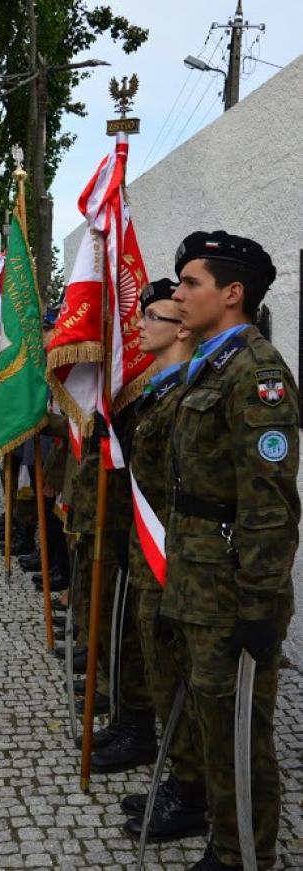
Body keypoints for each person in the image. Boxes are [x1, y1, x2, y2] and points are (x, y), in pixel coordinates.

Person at [162, 231, 300, 870]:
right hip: (198, 578)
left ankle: (245, 854)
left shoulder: (257, 374)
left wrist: (262, 603)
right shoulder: (211, 364)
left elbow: (269, 505)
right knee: (211, 718)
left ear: (232, 293)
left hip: (230, 587)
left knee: (239, 727)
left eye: (191, 283)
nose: (179, 294)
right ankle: (224, 837)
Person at [120, 279, 207, 842]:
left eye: (151, 317)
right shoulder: (159, 391)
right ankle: (182, 777)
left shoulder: (184, 396)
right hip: (150, 550)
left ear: (180, 330)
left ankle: (192, 790)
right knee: (163, 673)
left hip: (174, 557)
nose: (139, 326)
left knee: (181, 681)